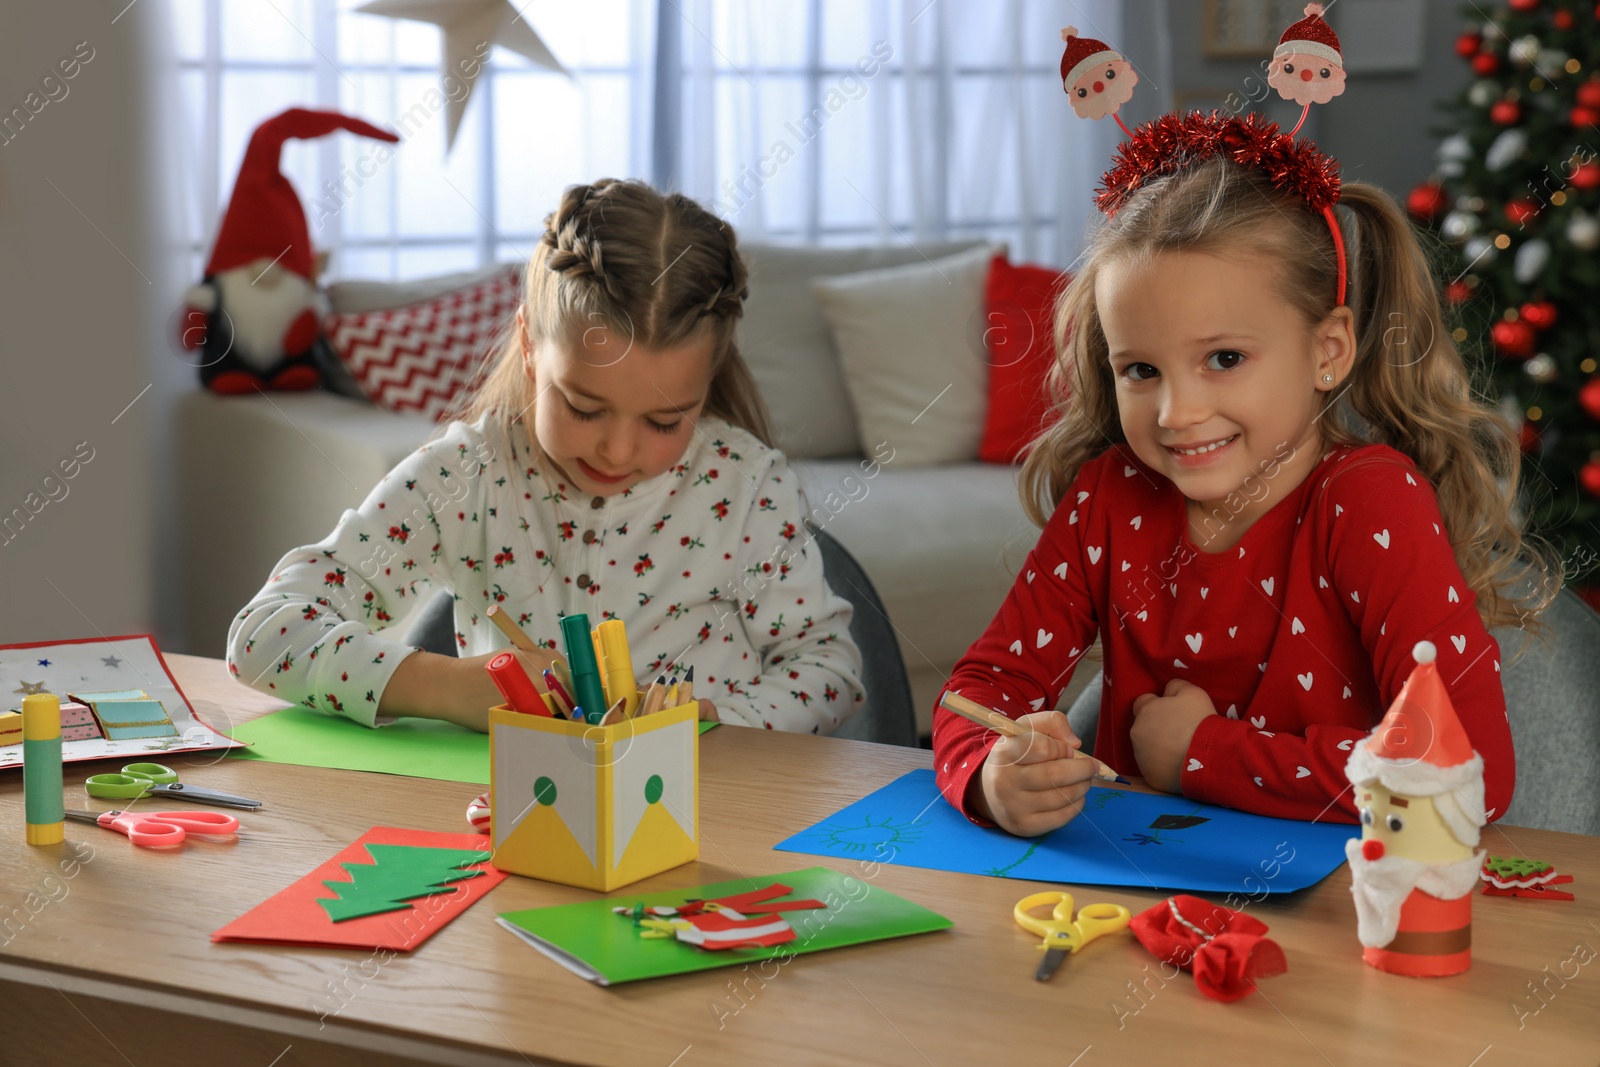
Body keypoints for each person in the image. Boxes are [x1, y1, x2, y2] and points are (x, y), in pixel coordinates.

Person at [932, 114, 1556, 837]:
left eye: (1224, 358)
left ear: (1329, 350)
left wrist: (1202, 753)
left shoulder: (1369, 500)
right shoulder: (1111, 493)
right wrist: (990, 776)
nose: (1176, 412)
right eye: (1141, 369)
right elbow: (974, 693)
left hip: (1340, 920)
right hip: (1121, 904)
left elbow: (1465, 769)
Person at [228, 179, 863, 734]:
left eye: (665, 420)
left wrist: (717, 720)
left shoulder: (745, 485)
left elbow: (832, 672)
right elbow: (261, 635)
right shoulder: (465, 476)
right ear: (530, 345)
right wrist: (448, 689)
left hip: (714, 824)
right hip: (519, 826)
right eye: (584, 408)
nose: (618, 450)